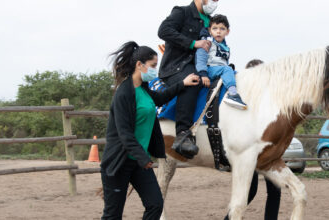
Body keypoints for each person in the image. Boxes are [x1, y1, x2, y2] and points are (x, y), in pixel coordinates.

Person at [101, 41, 199, 220]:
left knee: (155, 205)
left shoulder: (145, 89)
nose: (155, 69)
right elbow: (125, 134)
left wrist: (183, 83)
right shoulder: (124, 94)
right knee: (112, 215)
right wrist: (144, 158)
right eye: (153, 65)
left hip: (139, 162)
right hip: (119, 162)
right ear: (140, 65)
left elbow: (161, 98)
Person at [158, 0, 220, 159]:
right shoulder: (182, 12)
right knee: (193, 81)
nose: (215, 2)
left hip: (202, 66)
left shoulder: (212, 21)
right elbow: (163, 30)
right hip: (176, 67)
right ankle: (183, 134)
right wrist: (193, 43)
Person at [223, 59, 280, 220]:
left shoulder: (269, 98)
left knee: (275, 189)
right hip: (248, 151)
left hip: (267, 151)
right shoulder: (241, 98)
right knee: (250, 191)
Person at [195, 14, 247, 109]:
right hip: (209, 69)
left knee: (235, 73)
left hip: (220, 70)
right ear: (210, 30)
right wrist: (203, 74)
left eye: (222, 29)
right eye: (215, 28)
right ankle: (232, 95)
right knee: (227, 69)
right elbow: (201, 57)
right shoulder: (207, 43)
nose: (218, 31)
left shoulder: (225, 47)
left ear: (227, 31)